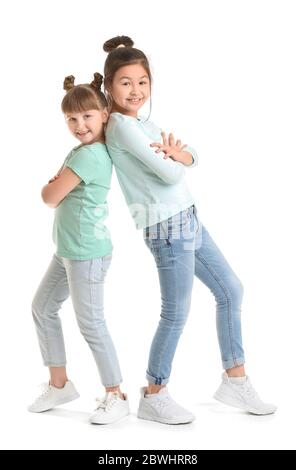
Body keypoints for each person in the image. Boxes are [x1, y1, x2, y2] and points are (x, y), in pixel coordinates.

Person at [102, 35, 277, 424]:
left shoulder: (143, 122)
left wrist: (180, 155)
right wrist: (176, 157)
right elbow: (170, 170)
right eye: (125, 82)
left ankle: (235, 379)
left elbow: (189, 154)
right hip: (165, 225)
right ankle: (155, 392)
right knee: (176, 312)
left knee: (230, 289)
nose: (136, 90)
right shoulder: (122, 127)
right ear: (108, 85)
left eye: (143, 81)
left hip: (186, 217)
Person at [29, 73, 129, 425]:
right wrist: (56, 184)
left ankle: (116, 394)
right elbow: (55, 195)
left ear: (104, 113)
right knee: (42, 308)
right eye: (72, 119)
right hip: (68, 250)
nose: (79, 124)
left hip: (86, 253)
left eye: (87, 116)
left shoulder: (90, 156)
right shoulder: (80, 151)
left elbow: (49, 196)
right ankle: (59, 384)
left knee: (91, 324)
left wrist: (54, 184)